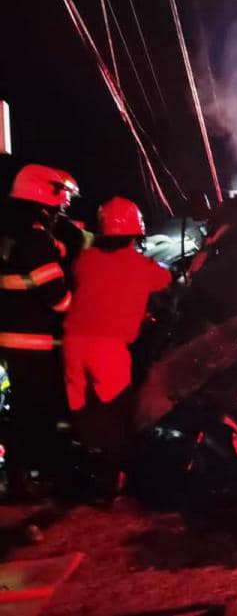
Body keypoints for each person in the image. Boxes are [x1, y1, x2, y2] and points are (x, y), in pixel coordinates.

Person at [62, 197, 171, 499]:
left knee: (83, 413)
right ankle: (114, 482)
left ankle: (85, 473)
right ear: (137, 232)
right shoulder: (142, 266)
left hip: (72, 346)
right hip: (107, 349)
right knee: (116, 414)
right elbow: (168, 280)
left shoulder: (85, 261)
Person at [0, 164, 78, 499]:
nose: (64, 207)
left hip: (15, 339)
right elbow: (58, 299)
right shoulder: (33, 236)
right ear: (44, 193)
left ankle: (24, 476)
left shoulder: (14, 232)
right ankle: (31, 479)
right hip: (34, 343)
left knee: (24, 410)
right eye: (62, 198)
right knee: (36, 412)